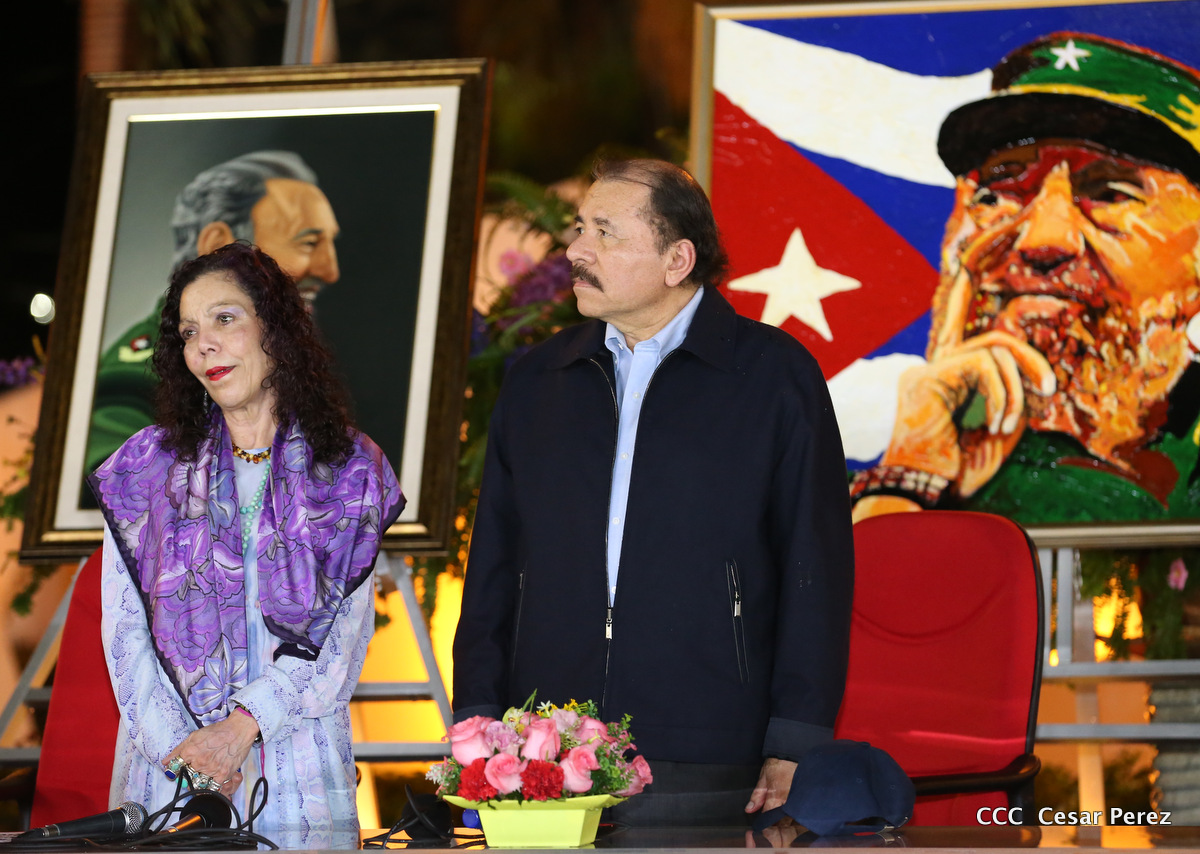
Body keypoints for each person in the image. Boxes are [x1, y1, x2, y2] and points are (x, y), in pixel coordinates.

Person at [452, 159, 854, 826]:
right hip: (546, 745)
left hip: (706, 743)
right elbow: (494, 562)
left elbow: (815, 568)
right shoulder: (540, 379)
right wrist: (478, 715)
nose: (576, 250)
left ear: (677, 260)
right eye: (580, 227)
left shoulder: (773, 376)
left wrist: (795, 739)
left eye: (605, 232)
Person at [88, 242, 402, 831]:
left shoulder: (348, 470)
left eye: (225, 319)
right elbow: (125, 635)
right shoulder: (144, 470)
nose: (204, 344)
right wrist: (189, 756)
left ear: (275, 329)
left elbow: (339, 643)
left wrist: (240, 730)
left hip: (294, 764)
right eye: (188, 332)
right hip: (172, 769)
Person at [851, 32, 1200, 524]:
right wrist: (912, 474)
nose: (1043, 240)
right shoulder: (865, 485)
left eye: (1110, 192)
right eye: (998, 194)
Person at [87, 151, 341, 479]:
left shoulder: (290, 369)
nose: (330, 271)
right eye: (307, 243)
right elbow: (115, 484)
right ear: (219, 244)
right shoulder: (134, 381)